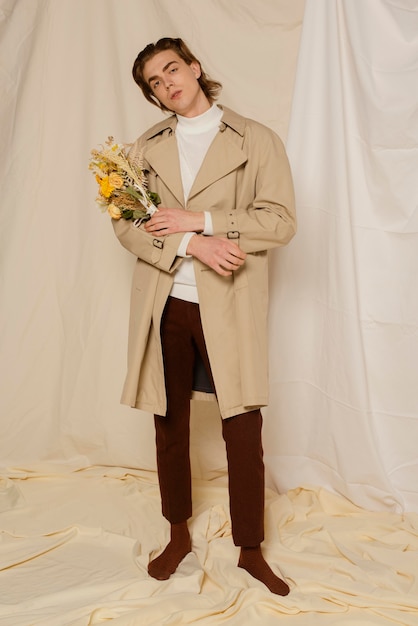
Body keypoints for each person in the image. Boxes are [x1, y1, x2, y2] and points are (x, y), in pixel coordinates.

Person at [112, 37, 296, 596]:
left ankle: (250, 548)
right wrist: (192, 246)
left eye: (172, 69)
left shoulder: (256, 139)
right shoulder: (141, 149)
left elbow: (281, 221)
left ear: (194, 68)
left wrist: (203, 220)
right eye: (154, 82)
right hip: (165, 304)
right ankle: (175, 534)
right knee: (169, 424)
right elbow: (126, 223)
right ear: (152, 95)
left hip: (230, 303)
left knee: (243, 428)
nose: (167, 83)